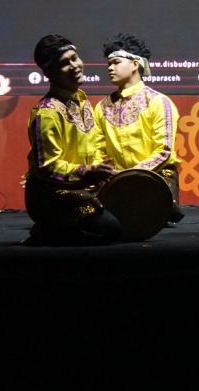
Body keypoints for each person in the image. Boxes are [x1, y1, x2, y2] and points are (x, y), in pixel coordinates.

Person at [24, 34, 122, 244]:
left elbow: (93, 150)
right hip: (51, 193)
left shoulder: (83, 102)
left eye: (75, 58)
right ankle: (44, 231)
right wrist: (87, 172)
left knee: (128, 215)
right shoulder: (47, 113)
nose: (74, 66)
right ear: (48, 73)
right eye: (64, 63)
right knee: (109, 229)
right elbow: (47, 168)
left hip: (81, 188)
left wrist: (101, 171)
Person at [95, 32, 184, 226]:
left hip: (155, 177)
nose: (110, 68)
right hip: (117, 178)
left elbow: (163, 152)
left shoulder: (159, 102)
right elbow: (97, 151)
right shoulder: (101, 107)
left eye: (116, 62)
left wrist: (130, 176)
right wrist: (111, 174)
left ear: (135, 64)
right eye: (109, 63)